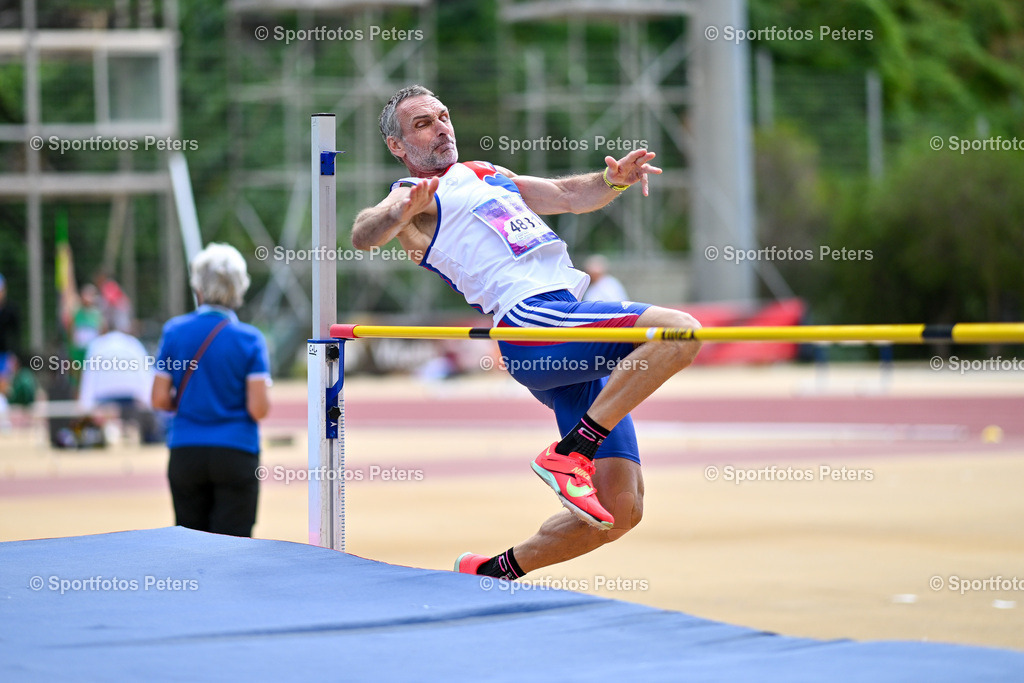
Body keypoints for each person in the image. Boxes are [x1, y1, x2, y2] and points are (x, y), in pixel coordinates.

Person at [352, 85, 701, 580]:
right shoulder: (413, 193)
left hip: (567, 323)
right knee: (681, 331)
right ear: (398, 145)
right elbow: (364, 234)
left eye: (443, 116)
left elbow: (570, 196)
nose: (441, 128)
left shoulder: (486, 173)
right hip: (531, 321)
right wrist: (397, 213)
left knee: (621, 509)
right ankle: (572, 452)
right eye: (422, 124)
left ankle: (490, 572)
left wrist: (613, 180)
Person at [151, 243, 271, 537]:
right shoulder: (250, 339)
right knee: (234, 546)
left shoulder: (174, 331)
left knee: (191, 544)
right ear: (239, 289)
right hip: (236, 450)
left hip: (186, 449)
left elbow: (159, 398)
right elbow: (258, 408)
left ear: (198, 288)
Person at [78, 312, 163, 444]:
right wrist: (149, 405)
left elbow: (89, 379)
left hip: (106, 403)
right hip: (129, 403)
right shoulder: (133, 344)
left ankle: (110, 432)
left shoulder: (97, 346)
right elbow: (146, 376)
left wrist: (86, 407)